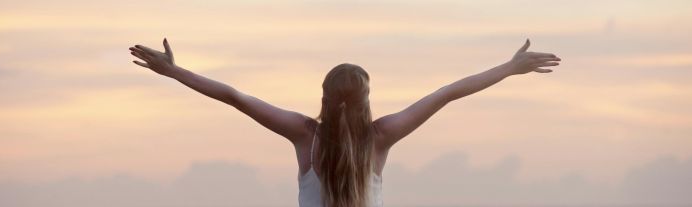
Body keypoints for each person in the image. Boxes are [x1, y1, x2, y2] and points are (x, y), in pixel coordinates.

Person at [129, 38, 560, 207]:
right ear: (366, 102)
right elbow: (449, 92)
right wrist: (508, 68)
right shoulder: (382, 136)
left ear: (324, 96)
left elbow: (234, 97)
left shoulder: (305, 135)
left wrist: (173, 71)